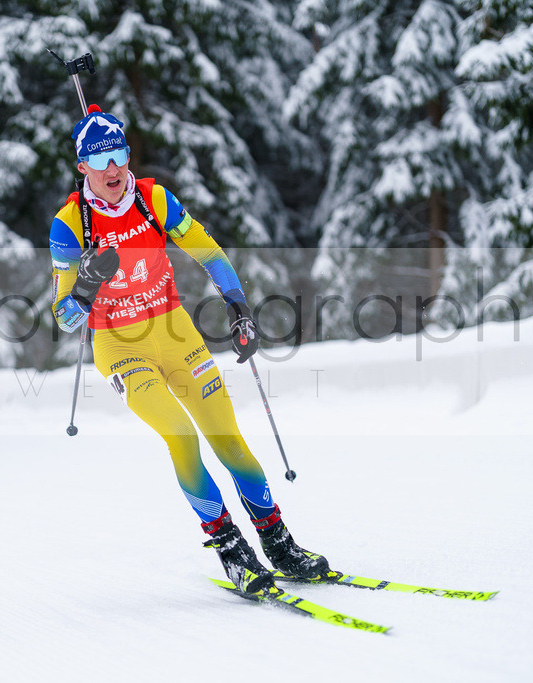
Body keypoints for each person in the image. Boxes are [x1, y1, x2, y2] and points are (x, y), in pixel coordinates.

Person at [49, 104, 339, 594]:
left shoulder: (154, 200)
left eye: (118, 154)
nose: (113, 168)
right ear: (83, 168)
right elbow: (63, 316)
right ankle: (231, 550)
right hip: (121, 348)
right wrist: (83, 290)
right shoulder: (69, 225)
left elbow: (208, 251)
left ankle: (279, 543)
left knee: (228, 437)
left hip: (176, 334)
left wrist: (238, 306)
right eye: (100, 161)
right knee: (181, 434)